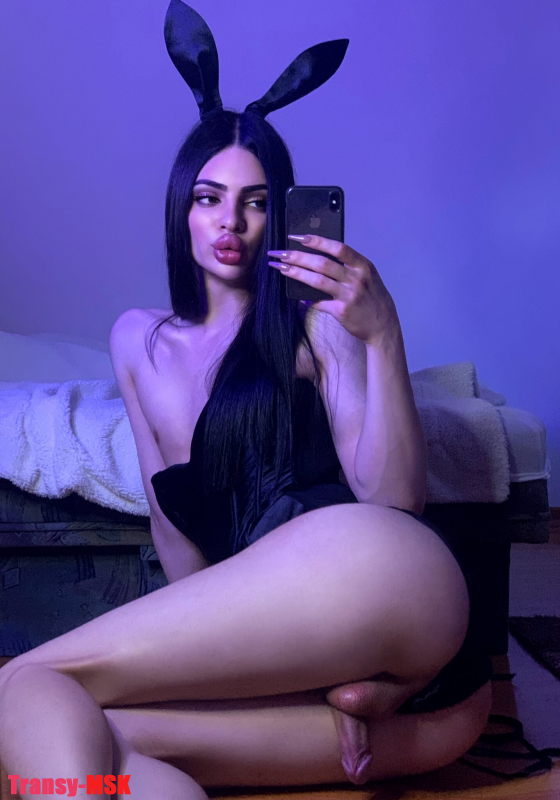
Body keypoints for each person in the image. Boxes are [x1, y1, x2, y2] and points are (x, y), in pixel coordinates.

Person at [0, 4, 492, 797]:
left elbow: (395, 505)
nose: (230, 221)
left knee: (21, 679)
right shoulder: (137, 340)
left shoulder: (313, 329)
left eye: (256, 201)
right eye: (208, 198)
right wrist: (220, 671)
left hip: (385, 585)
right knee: (92, 726)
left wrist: (383, 336)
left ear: (280, 215)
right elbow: (174, 529)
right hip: (407, 708)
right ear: (181, 209)